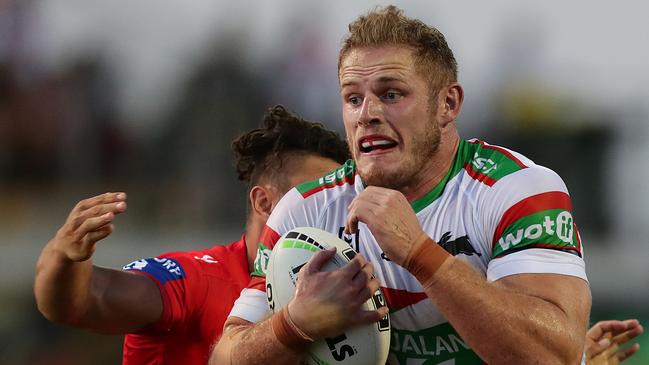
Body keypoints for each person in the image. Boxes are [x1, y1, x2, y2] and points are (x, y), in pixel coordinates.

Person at [211, 6, 593, 364]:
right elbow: (224, 356)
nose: (367, 114)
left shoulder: (518, 190)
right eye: (353, 98)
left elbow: (556, 356)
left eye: (391, 94)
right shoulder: (304, 210)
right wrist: (293, 324)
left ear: (448, 104)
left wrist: (419, 253)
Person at [33, 105, 350, 365]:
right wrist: (63, 256)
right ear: (264, 203)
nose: (327, 210)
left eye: (335, 199)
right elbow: (79, 303)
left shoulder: (344, 294)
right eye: (312, 197)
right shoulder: (196, 280)